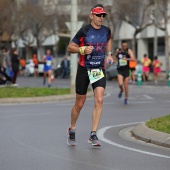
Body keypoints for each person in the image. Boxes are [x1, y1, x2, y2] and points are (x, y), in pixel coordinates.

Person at [67, 4, 113, 147]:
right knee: (79, 104)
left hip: (98, 69)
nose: (101, 18)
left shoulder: (106, 30)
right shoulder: (85, 30)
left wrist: (110, 55)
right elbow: (70, 47)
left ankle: (93, 134)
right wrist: (83, 49)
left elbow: (109, 40)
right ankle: (72, 128)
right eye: (98, 15)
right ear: (91, 16)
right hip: (84, 69)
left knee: (99, 100)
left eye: (103, 15)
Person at [113, 40, 136, 105]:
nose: (124, 47)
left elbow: (133, 58)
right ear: (121, 46)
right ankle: (121, 90)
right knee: (120, 84)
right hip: (120, 69)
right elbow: (114, 56)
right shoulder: (118, 50)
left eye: (125, 46)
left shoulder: (128, 51)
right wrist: (114, 60)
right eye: (123, 46)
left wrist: (127, 59)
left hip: (126, 70)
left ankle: (126, 98)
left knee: (126, 86)